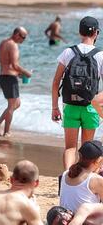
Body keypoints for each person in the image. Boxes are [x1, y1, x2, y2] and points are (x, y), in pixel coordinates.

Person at [52, 17, 103, 169]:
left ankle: (67, 179)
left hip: (71, 105)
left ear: (79, 32)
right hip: (90, 107)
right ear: (96, 32)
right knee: (87, 149)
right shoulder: (100, 55)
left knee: (70, 148)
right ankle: (83, 182)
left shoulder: (68, 52)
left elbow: (56, 82)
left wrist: (55, 107)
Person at [0, 27, 32, 137]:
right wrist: (26, 73)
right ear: (17, 34)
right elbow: (14, 65)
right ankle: (6, 132)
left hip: (4, 76)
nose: (24, 40)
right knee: (11, 105)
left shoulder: (4, 42)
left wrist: (18, 73)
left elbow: (7, 64)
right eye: (23, 37)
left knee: (16, 104)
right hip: (9, 78)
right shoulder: (13, 45)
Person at [59, 140, 103, 213]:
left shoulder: (66, 174)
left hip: (65, 217)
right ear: (98, 160)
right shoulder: (95, 180)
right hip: (83, 220)